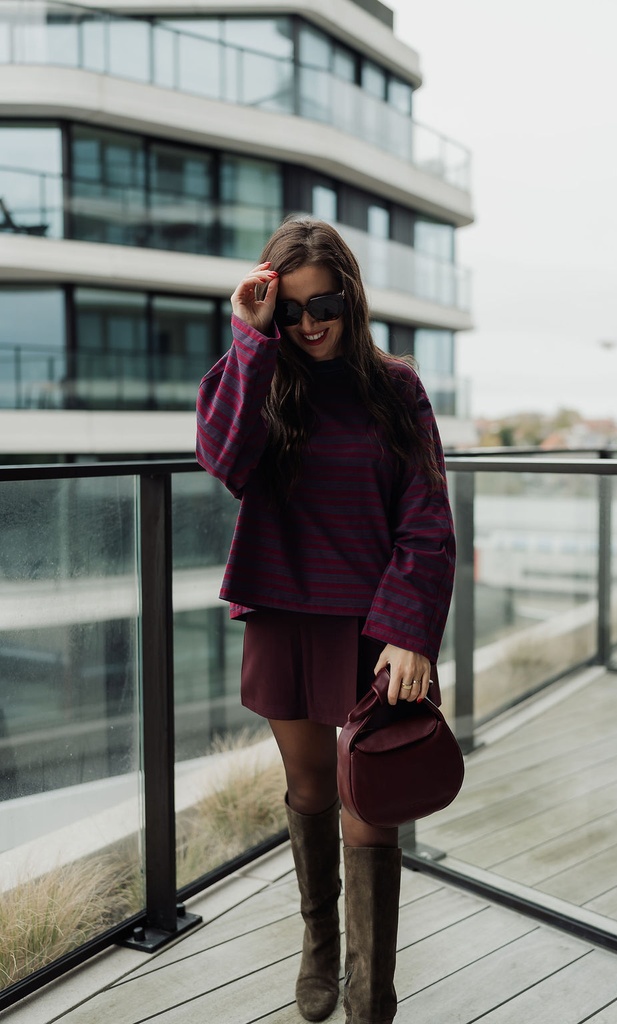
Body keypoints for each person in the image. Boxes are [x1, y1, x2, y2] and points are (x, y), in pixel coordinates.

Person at [196, 218, 455, 1024]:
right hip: (282, 610)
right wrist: (247, 334)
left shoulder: (395, 388)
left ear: (352, 298)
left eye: (326, 305)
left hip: (375, 628)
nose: (309, 323)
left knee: (370, 804)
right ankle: (318, 950)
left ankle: (370, 996)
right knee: (307, 786)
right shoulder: (259, 374)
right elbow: (224, 462)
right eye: (292, 309)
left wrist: (409, 630)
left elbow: (426, 516)